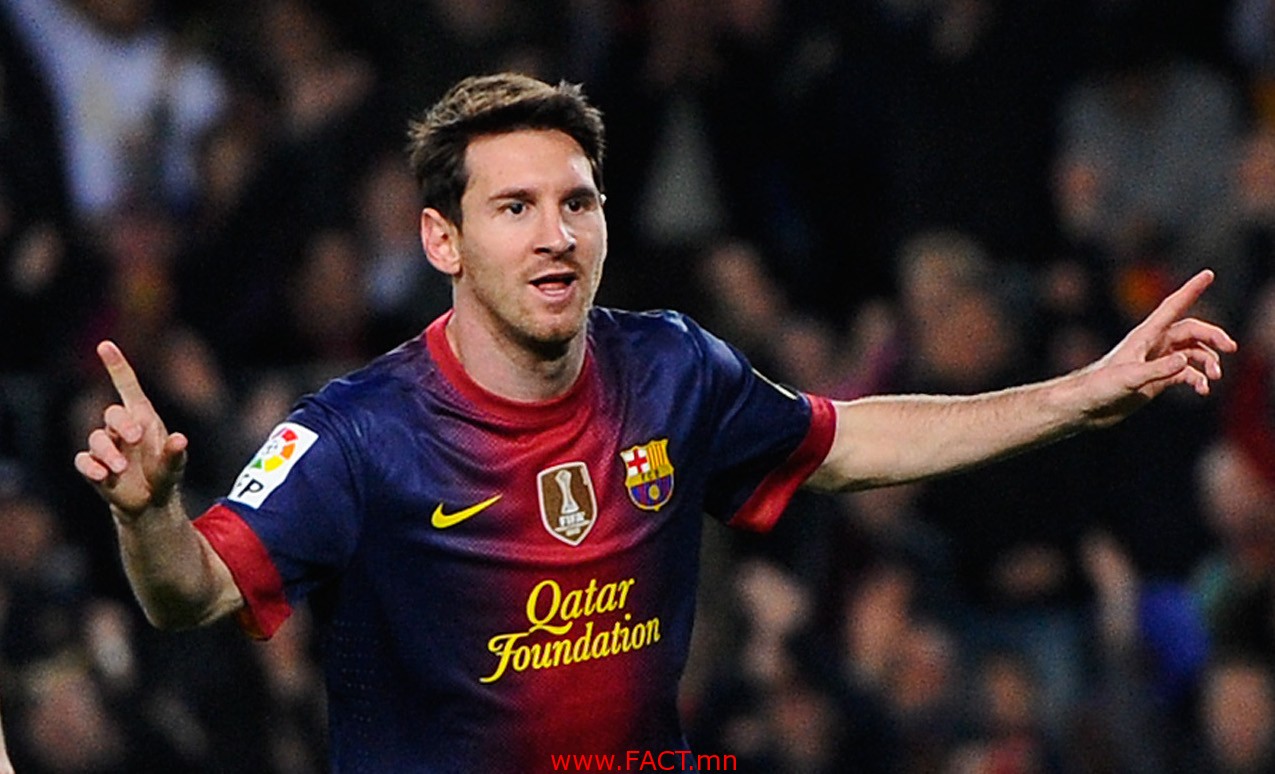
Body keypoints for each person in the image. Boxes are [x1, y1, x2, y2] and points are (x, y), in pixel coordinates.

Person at [73, 72, 1236, 772]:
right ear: (443, 240)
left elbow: (852, 442)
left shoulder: (673, 367)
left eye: (577, 203)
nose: (556, 235)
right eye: (515, 207)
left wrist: (1081, 394)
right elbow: (192, 593)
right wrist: (147, 516)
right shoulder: (357, 432)